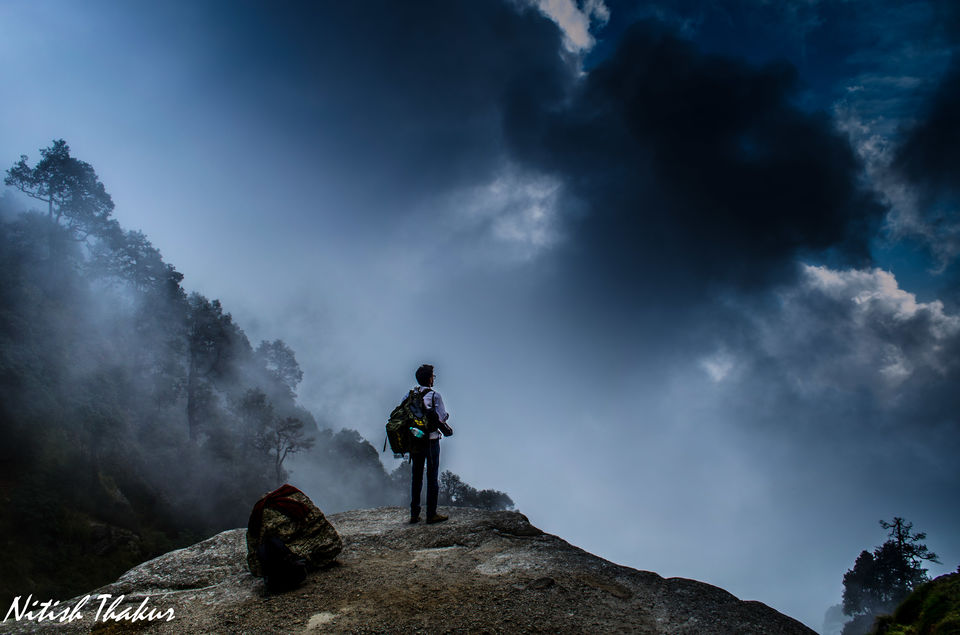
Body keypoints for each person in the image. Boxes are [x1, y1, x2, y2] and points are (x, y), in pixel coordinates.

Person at [409, 363, 451, 524]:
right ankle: (431, 514)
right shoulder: (435, 396)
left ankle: (414, 513)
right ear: (429, 378)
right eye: (433, 376)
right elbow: (442, 417)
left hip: (416, 441)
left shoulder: (411, 394)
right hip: (432, 441)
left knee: (416, 477)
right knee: (432, 477)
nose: (434, 378)